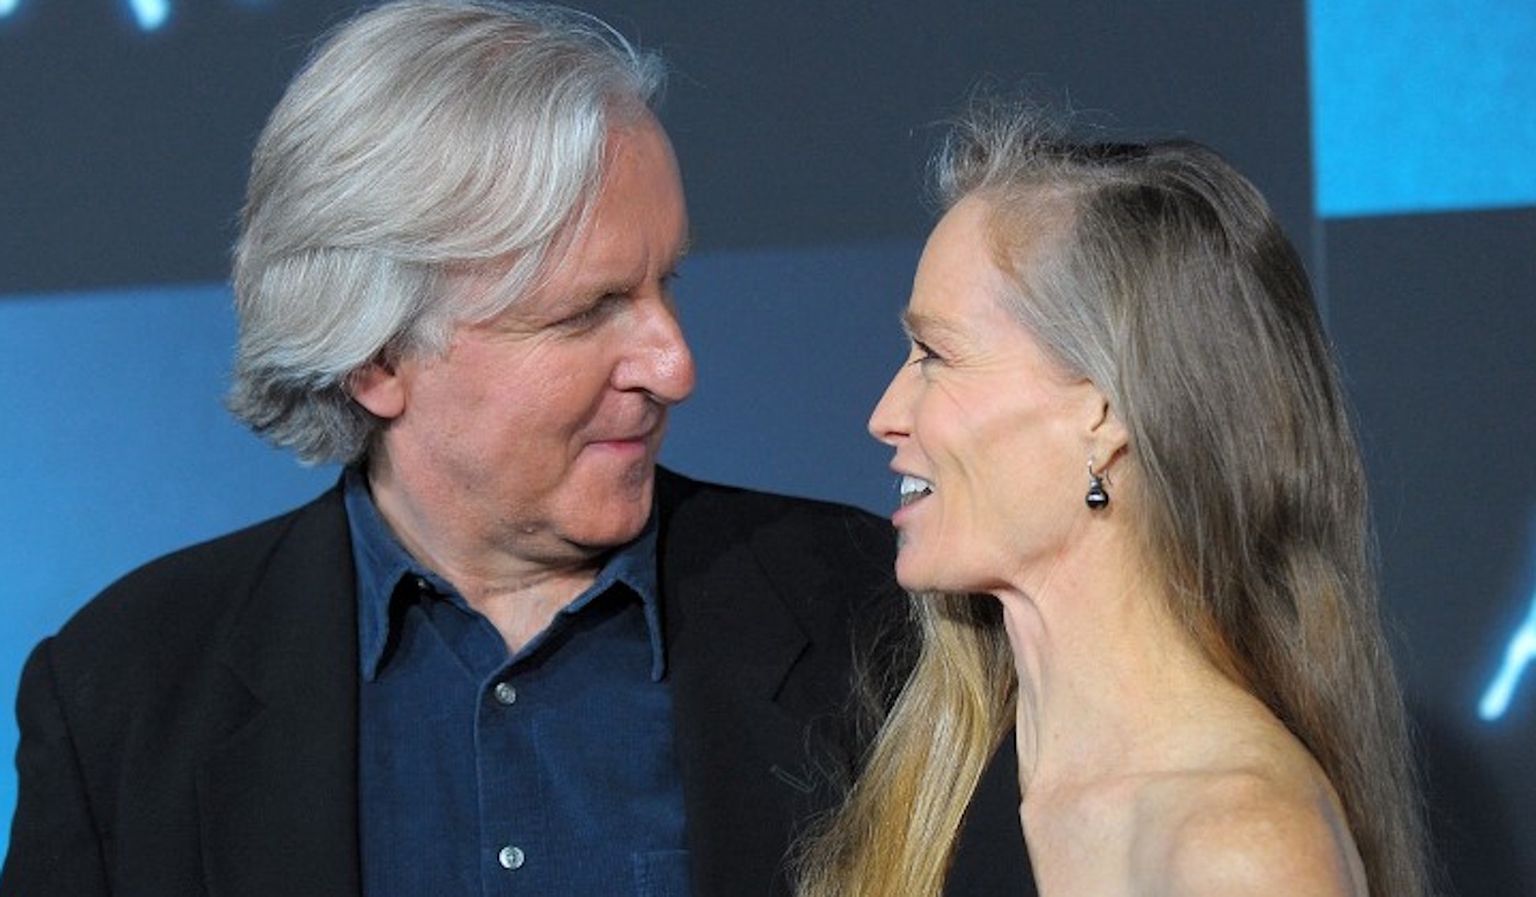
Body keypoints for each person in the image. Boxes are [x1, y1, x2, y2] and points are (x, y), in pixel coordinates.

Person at [0, 4, 1034, 896]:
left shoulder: (877, 619)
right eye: (588, 311)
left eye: (666, 284)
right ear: (376, 357)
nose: (675, 365)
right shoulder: (124, 696)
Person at [796, 106, 1430, 897]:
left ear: (1103, 410)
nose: (886, 413)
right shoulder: (946, 771)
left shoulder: (1241, 844)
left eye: (935, 354)